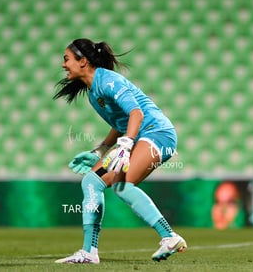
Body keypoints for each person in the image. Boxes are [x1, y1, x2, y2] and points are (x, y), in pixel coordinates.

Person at [53, 38, 186, 264]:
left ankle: (170, 236)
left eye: (66, 59)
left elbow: (136, 113)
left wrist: (125, 145)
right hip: (139, 136)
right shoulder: (93, 91)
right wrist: (101, 150)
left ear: (83, 61)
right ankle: (89, 252)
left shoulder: (108, 82)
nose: (63, 64)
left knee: (123, 185)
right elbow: (120, 120)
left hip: (157, 133)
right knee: (91, 182)